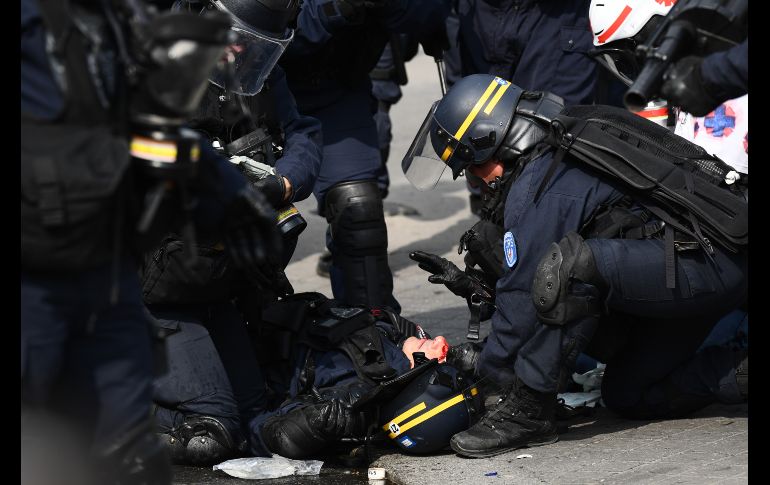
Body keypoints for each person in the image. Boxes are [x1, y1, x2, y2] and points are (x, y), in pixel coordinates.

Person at [402, 73, 748, 458]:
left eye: (470, 164)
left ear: (489, 142)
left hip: (709, 263)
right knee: (628, 394)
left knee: (570, 269)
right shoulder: (561, 142)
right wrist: (482, 290)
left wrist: (486, 370)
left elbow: (527, 294)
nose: (474, 178)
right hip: (696, 265)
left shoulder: (548, 174)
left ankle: (528, 414)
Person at [21, 0, 282, 483]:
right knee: (211, 432)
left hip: (199, 280)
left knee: (255, 416)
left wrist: (270, 181)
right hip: (129, 282)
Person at [145, 0, 323, 466]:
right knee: (211, 432)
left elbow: (304, 132)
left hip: (219, 278)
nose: (242, 47)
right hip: (149, 285)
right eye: (235, 34)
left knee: (256, 422)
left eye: (255, 42)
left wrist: (282, 181)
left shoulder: (258, 72)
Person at [277, 0, 451, 311]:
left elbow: (427, 13)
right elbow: (260, 26)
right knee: (247, 218)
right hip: (260, 89)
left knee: (358, 212)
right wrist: (340, 6)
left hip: (337, 90)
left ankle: (372, 331)